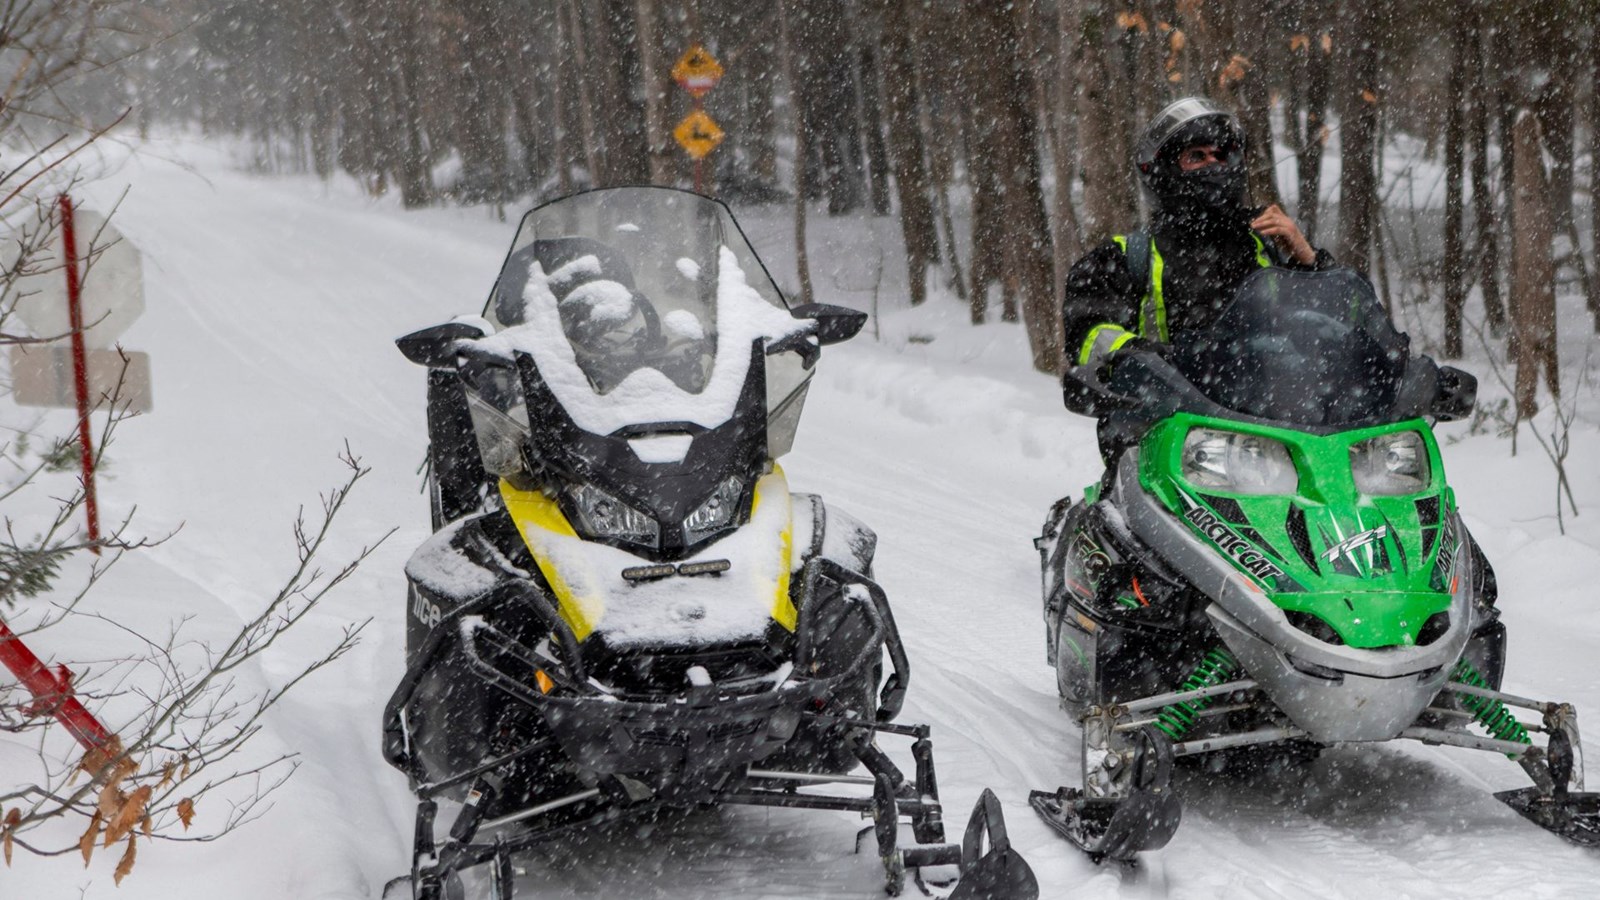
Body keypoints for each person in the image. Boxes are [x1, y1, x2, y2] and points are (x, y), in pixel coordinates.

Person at [1061, 97, 1336, 464]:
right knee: (1116, 518)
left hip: (1280, 433)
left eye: (1220, 156)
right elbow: (1089, 333)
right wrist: (1148, 361)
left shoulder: (1267, 246)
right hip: (1168, 434)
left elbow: (1336, 323)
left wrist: (1308, 260)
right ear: (1163, 171)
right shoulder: (1126, 256)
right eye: (1197, 156)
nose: (1213, 165)